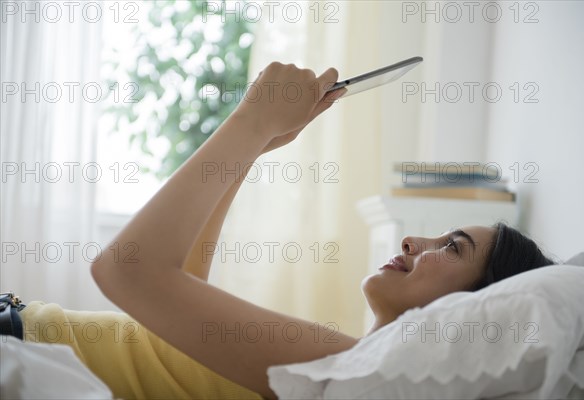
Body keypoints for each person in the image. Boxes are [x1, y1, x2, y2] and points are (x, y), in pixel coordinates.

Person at [15, 63, 555, 400]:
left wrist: (251, 119)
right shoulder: (334, 360)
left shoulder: (342, 368)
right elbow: (174, 299)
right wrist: (257, 146)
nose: (415, 241)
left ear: (470, 309)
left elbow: (126, 271)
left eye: (452, 249)